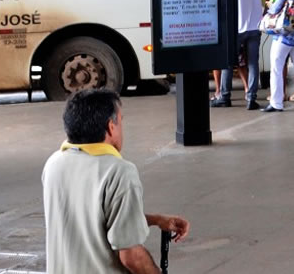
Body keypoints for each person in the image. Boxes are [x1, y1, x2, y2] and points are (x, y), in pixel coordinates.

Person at [43, 89, 189, 274]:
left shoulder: (54, 164)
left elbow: (91, 219)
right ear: (111, 126)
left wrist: (155, 220)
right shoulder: (119, 172)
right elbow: (131, 256)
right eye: (120, 121)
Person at [212, 0, 270, 109]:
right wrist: (264, 14)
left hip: (235, 30)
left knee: (228, 63)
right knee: (252, 63)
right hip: (254, 29)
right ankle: (251, 98)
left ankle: (224, 97)